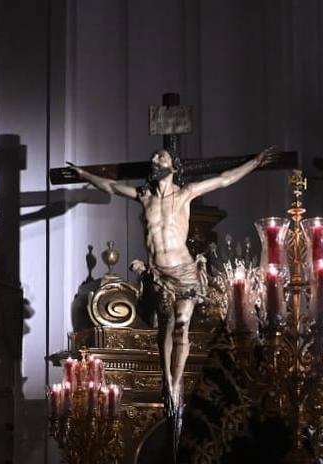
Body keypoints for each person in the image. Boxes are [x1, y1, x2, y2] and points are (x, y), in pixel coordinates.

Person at [65, 146, 277, 420]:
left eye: (161, 156)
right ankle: (167, 380)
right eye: (153, 156)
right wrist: (84, 174)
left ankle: (176, 382)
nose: (155, 159)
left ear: (173, 166)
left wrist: (255, 161)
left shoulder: (185, 193)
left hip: (185, 270)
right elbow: (112, 187)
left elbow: (225, 178)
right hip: (158, 272)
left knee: (181, 325)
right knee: (164, 327)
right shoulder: (145, 196)